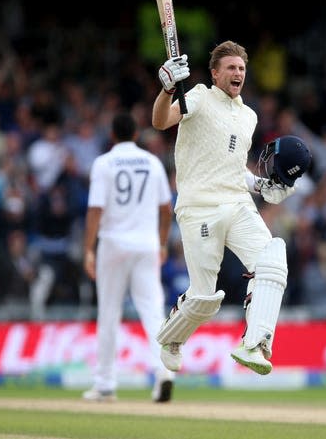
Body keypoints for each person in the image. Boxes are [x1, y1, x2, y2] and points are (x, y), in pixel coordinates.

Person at [151, 40, 311, 375]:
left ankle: (255, 344)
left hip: (237, 203)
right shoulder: (198, 95)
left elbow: (232, 166)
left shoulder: (248, 116)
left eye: (241, 68)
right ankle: (172, 336)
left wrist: (260, 185)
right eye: (230, 68)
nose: (237, 73)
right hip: (200, 207)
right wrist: (167, 89)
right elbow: (161, 121)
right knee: (205, 299)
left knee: (273, 256)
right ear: (215, 73)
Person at [82, 112, 175, 403]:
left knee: (108, 313)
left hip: (113, 244)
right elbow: (166, 209)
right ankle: (164, 372)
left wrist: (88, 248)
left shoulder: (104, 163)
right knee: (153, 312)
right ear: (136, 134)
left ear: (112, 135)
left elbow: (96, 209)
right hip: (146, 244)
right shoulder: (152, 162)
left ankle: (105, 384)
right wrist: (162, 244)